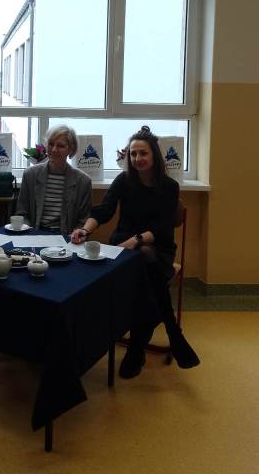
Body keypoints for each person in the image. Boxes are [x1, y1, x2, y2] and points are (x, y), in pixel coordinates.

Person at [71, 125, 200, 378]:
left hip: (158, 248)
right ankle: (169, 331)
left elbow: (163, 227)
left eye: (143, 153)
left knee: (145, 258)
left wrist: (137, 240)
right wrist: (85, 230)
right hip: (123, 246)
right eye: (133, 154)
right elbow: (104, 211)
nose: (137, 158)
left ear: (154, 156)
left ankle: (137, 349)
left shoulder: (169, 186)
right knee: (146, 281)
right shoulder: (124, 181)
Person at [16, 125, 92, 232]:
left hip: (66, 236)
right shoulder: (30, 175)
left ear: (71, 150)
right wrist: (29, 234)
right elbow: (22, 214)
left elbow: (83, 220)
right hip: (34, 233)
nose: (54, 149)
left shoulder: (83, 181)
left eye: (60, 146)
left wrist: (75, 235)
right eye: (51, 144)